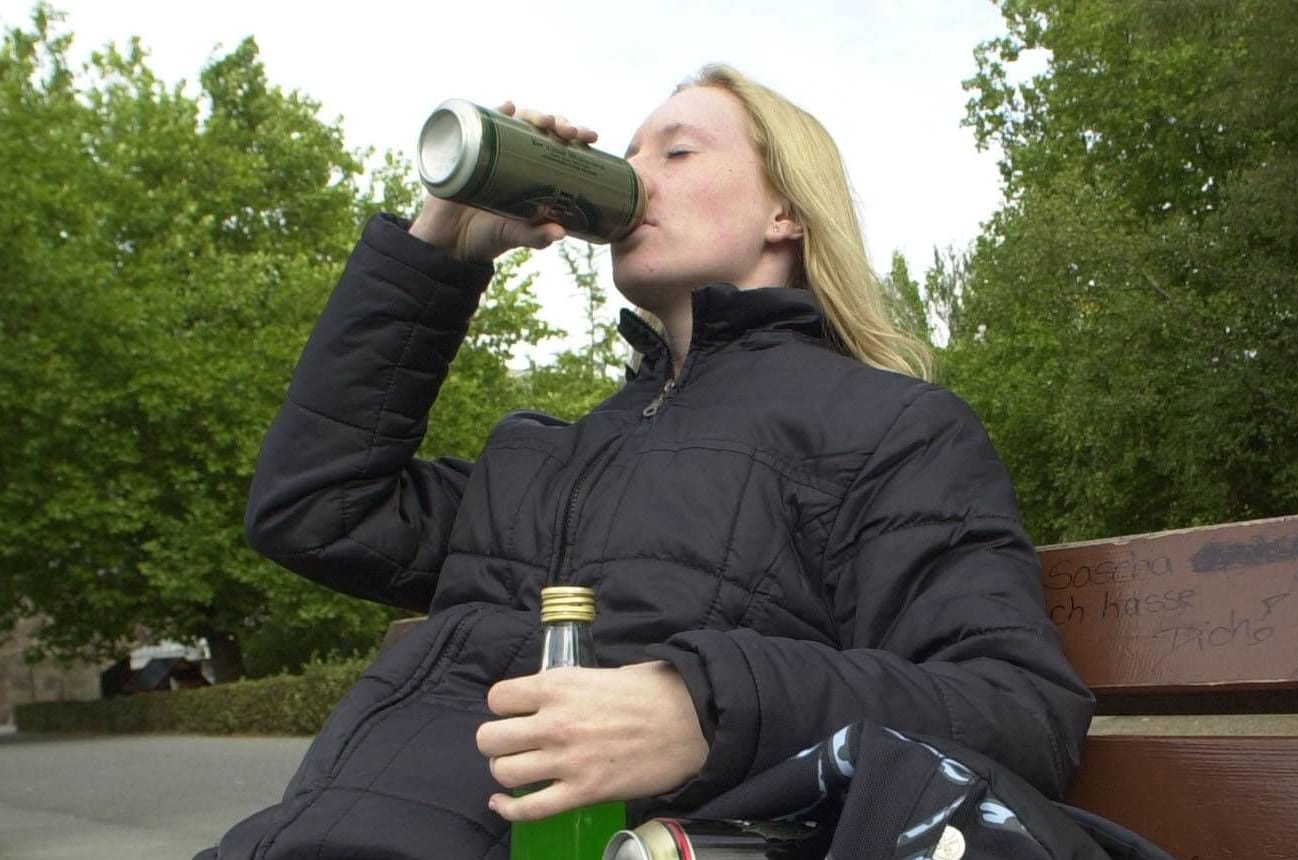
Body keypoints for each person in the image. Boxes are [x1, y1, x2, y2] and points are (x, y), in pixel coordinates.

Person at [197, 64, 1094, 859]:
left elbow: (1017, 709)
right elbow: (312, 507)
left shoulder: (887, 428)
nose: (631, 176)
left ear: (784, 210)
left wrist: (704, 709)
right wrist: (437, 254)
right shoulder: (540, 452)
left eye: (676, 152)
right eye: (625, 154)